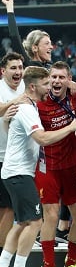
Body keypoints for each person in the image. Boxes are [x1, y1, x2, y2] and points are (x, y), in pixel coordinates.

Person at [0, 66, 76, 267]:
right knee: (36, 220)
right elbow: (42, 138)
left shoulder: (28, 104)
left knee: (22, 222)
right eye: (47, 82)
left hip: (21, 171)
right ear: (34, 86)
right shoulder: (30, 108)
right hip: (28, 171)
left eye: (57, 79)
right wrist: (71, 127)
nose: (51, 86)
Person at [35, 62, 76, 267]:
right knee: (52, 215)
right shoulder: (39, 101)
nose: (56, 81)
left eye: (61, 78)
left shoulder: (75, 95)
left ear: (69, 80)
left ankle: (70, 264)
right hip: (47, 166)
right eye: (53, 77)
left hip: (71, 166)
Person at [0, 53, 25, 256]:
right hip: (1, 156)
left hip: (21, 158)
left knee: (10, 209)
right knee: (5, 209)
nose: (18, 71)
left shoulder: (28, 86)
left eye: (20, 67)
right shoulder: (1, 88)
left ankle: (4, 255)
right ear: (3, 71)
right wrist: (15, 101)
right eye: (13, 68)